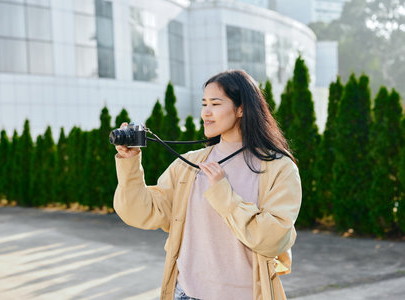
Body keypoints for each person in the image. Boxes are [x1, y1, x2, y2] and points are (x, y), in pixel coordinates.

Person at [113, 70, 302, 300]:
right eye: (204, 104)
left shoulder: (278, 168)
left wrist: (224, 195)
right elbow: (143, 212)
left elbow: (274, 239)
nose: (206, 113)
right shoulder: (189, 164)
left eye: (215, 103)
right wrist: (129, 163)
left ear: (241, 108)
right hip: (186, 294)